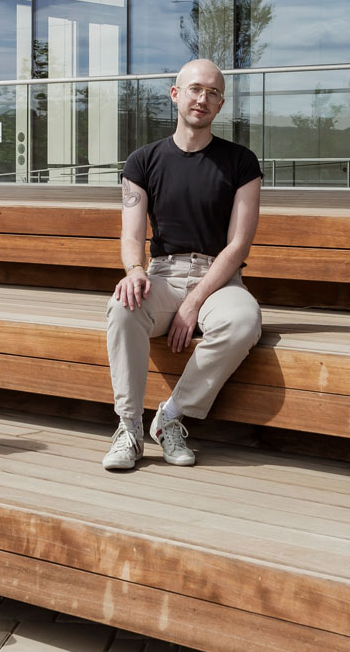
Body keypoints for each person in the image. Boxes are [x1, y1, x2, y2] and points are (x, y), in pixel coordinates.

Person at [103, 59, 263, 470]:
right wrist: (135, 271)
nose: (202, 98)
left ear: (221, 104)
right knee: (123, 305)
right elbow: (132, 237)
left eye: (212, 92)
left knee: (243, 322)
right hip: (163, 275)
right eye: (194, 89)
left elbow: (238, 243)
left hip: (219, 279)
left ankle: (170, 417)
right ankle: (130, 428)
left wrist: (194, 303)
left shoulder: (240, 162)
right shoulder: (143, 161)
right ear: (175, 94)